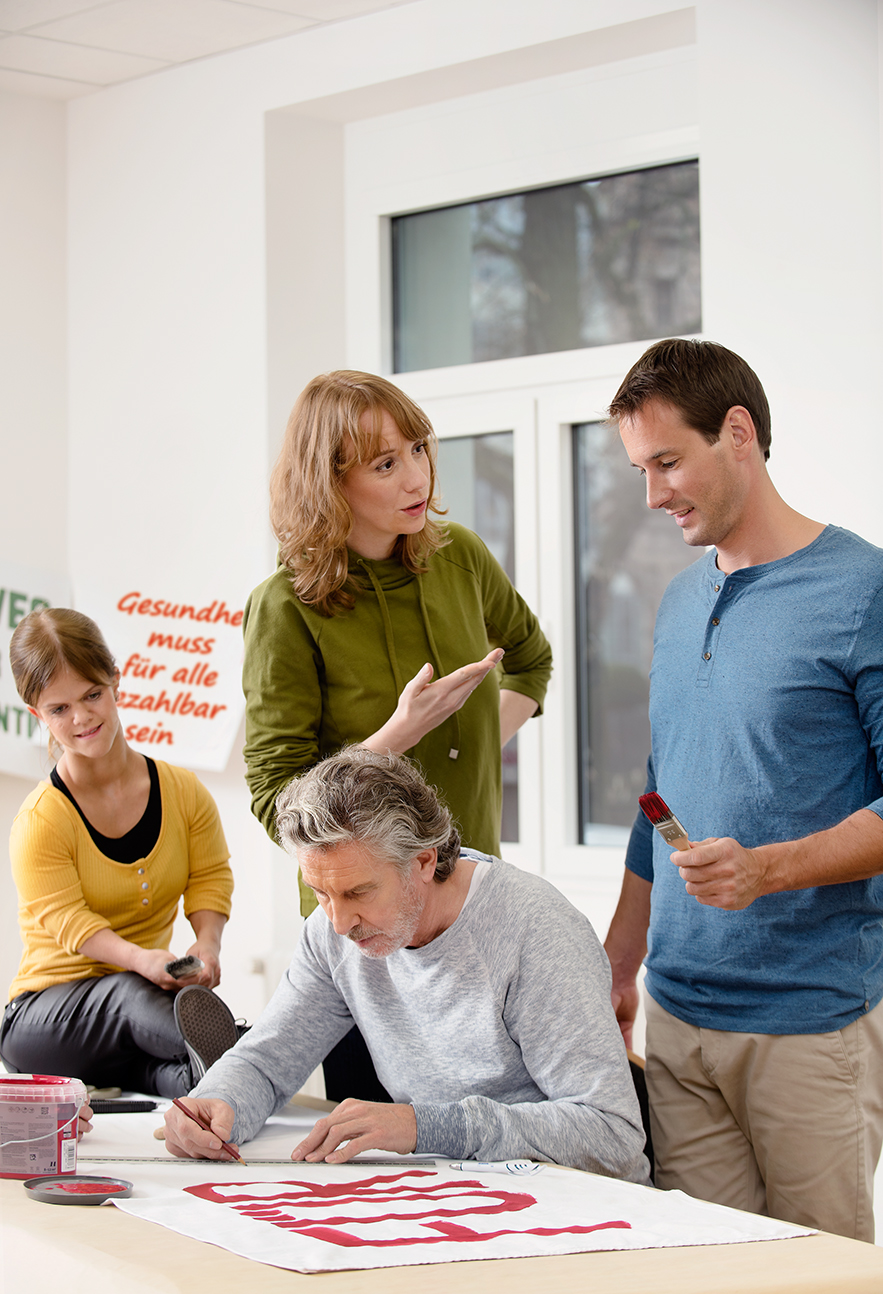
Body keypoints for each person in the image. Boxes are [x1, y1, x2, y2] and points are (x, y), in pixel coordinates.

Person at [602, 338, 883, 1241]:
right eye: (640, 471)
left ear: (737, 433)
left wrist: (767, 868)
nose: (653, 495)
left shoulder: (862, 590)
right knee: (708, 1283)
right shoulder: (679, 601)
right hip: (678, 1017)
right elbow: (659, 796)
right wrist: (618, 960)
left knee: (818, 1290)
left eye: (667, 462)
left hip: (807, 1024)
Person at [243, 369, 552, 1099]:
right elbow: (276, 800)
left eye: (417, 449)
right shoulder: (285, 607)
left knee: (492, 1137)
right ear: (329, 482)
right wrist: (398, 735)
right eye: (385, 463)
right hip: (364, 932)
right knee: (376, 1147)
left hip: (471, 908)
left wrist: (476, 741)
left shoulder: (460, 556)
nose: (416, 476)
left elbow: (530, 660)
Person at [164, 747, 649, 1183]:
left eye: (358, 893)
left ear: (423, 862)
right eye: (320, 893)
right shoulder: (331, 932)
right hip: (458, 1197)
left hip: (581, 1206)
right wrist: (217, 1102)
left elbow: (612, 1134)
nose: (338, 923)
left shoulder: (535, 931)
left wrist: (425, 1126)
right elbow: (267, 1062)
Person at [1, 608, 240, 1097]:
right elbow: (70, 923)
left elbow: (210, 877)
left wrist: (207, 945)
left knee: (193, 1079)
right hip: (42, 1019)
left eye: (92, 695)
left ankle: (213, 1069)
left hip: (139, 1012)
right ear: (37, 715)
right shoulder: (41, 821)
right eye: (59, 709)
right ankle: (242, 1050)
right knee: (131, 995)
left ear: (115, 680)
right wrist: (142, 961)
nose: (82, 717)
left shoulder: (184, 792)